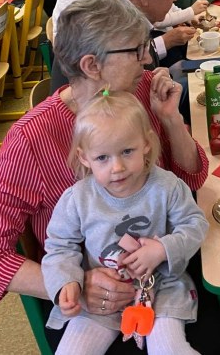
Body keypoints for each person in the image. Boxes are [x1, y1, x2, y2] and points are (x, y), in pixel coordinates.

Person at [0, 0, 220, 355]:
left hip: (162, 274)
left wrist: (171, 120)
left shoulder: (137, 94)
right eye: (136, 50)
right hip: (89, 295)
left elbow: (191, 181)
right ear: (92, 65)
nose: (147, 59)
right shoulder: (30, 140)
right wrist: (71, 283)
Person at [42, 91, 208, 355]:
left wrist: (163, 249)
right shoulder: (78, 199)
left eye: (127, 151)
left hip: (162, 288)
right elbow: (60, 245)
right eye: (102, 158)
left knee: (169, 349)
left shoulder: (167, 187)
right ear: (84, 157)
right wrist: (67, 281)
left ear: (146, 144)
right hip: (102, 298)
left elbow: (195, 225)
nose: (117, 167)